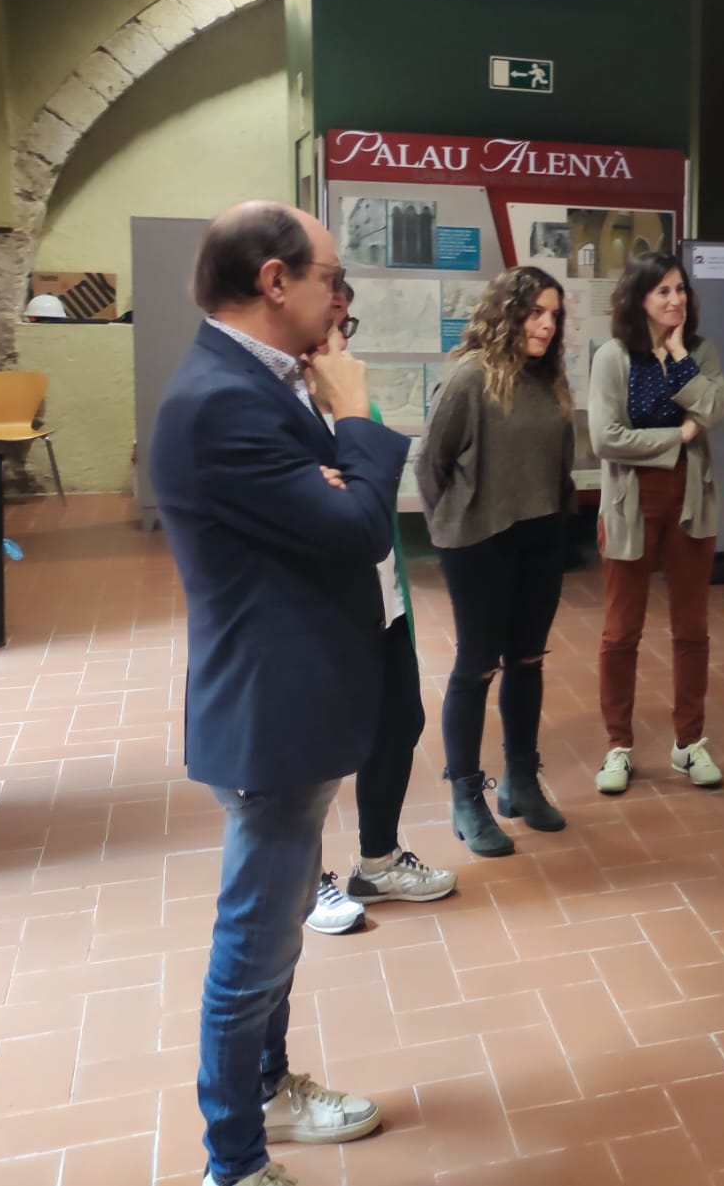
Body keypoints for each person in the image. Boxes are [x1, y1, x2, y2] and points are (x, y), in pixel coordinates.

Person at [150, 202, 406, 1186]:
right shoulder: (221, 400)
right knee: (252, 942)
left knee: (285, 914)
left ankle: (268, 1091)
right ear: (274, 281)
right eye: (329, 277)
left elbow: (334, 501)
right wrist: (353, 413)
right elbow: (354, 526)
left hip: (298, 695)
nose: (337, 298)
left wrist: (336, 444)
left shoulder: (258, 381)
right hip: (269, 710)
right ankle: (236, 1159)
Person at [304, 278, 457, 935]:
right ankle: (303, 879)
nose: (340, 334)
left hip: (380, 592)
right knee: (309, 746)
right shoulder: (280, 402)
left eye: (347, 320)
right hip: (320, 610)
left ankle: (380, 859)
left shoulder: (342, 394)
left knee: (399, 720)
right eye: (329, 317)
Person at [417, 267, 578, 854]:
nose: (546, 324)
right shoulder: (470, 377)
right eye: (536, 312)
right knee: (477, 667)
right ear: (507, 313)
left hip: (541, 537)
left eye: (554, 315)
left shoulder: (549, 378)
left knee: (528, 661)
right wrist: (448, 531)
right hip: (479, 542)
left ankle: (521, 781)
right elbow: (429, 465)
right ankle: (466, 796)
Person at [589, 252, 724, 795]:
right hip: (630, 504)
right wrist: (678, 438)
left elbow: (714, 409)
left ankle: (688, 743)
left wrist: (679, 360)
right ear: (639, 299)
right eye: (663, 292)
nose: (676, 300)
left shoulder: (699, 352)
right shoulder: (614, 357)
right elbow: (606, 439)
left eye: (680, 290)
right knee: (621, 631)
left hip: (692, 501)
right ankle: (617, 746)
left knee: (692, 628)